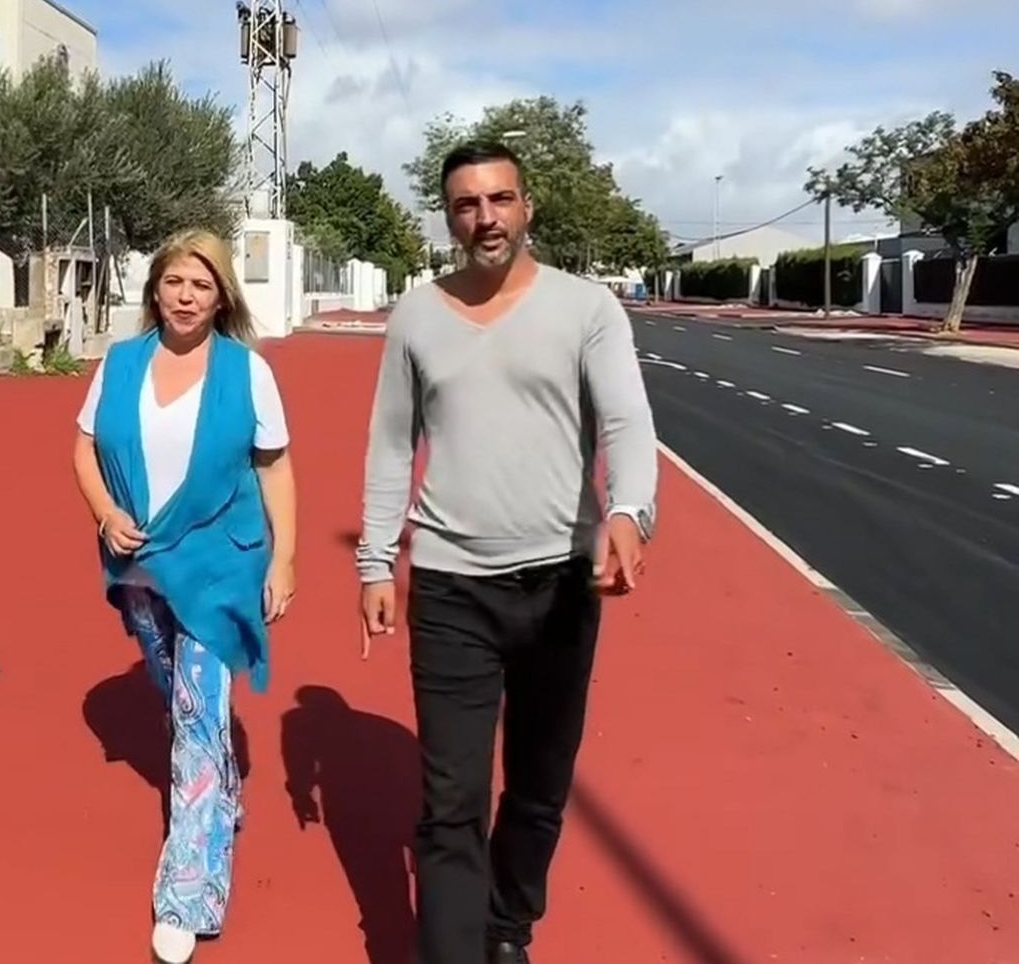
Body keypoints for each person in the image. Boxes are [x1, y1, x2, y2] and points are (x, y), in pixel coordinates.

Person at [356, 142, 657, 964]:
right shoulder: (416, 314)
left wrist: (628, 513)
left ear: (527, 207)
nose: (484, 218)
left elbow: (628, 424)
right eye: (465, 204)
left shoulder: (588, 308)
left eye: (499, 200)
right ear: (448, 217)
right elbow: (391, 444)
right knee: (451, 801)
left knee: (537, 789)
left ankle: (508, 926)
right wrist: (375, 561)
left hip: (561, 584)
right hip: (452, 587)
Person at [72, 229, 298, 964]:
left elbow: (275, 469)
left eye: (202, 285)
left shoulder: (247, 372)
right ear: (156, 289)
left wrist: (285, 559)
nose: (186, 297)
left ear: (222, 294)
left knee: (198, 717)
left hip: (220, 564)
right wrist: (106, 512)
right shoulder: (121, 362)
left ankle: (188, 892)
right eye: (174, 282)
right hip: (140, 561)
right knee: (177, 699)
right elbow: (82, 447)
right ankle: (223, 791)